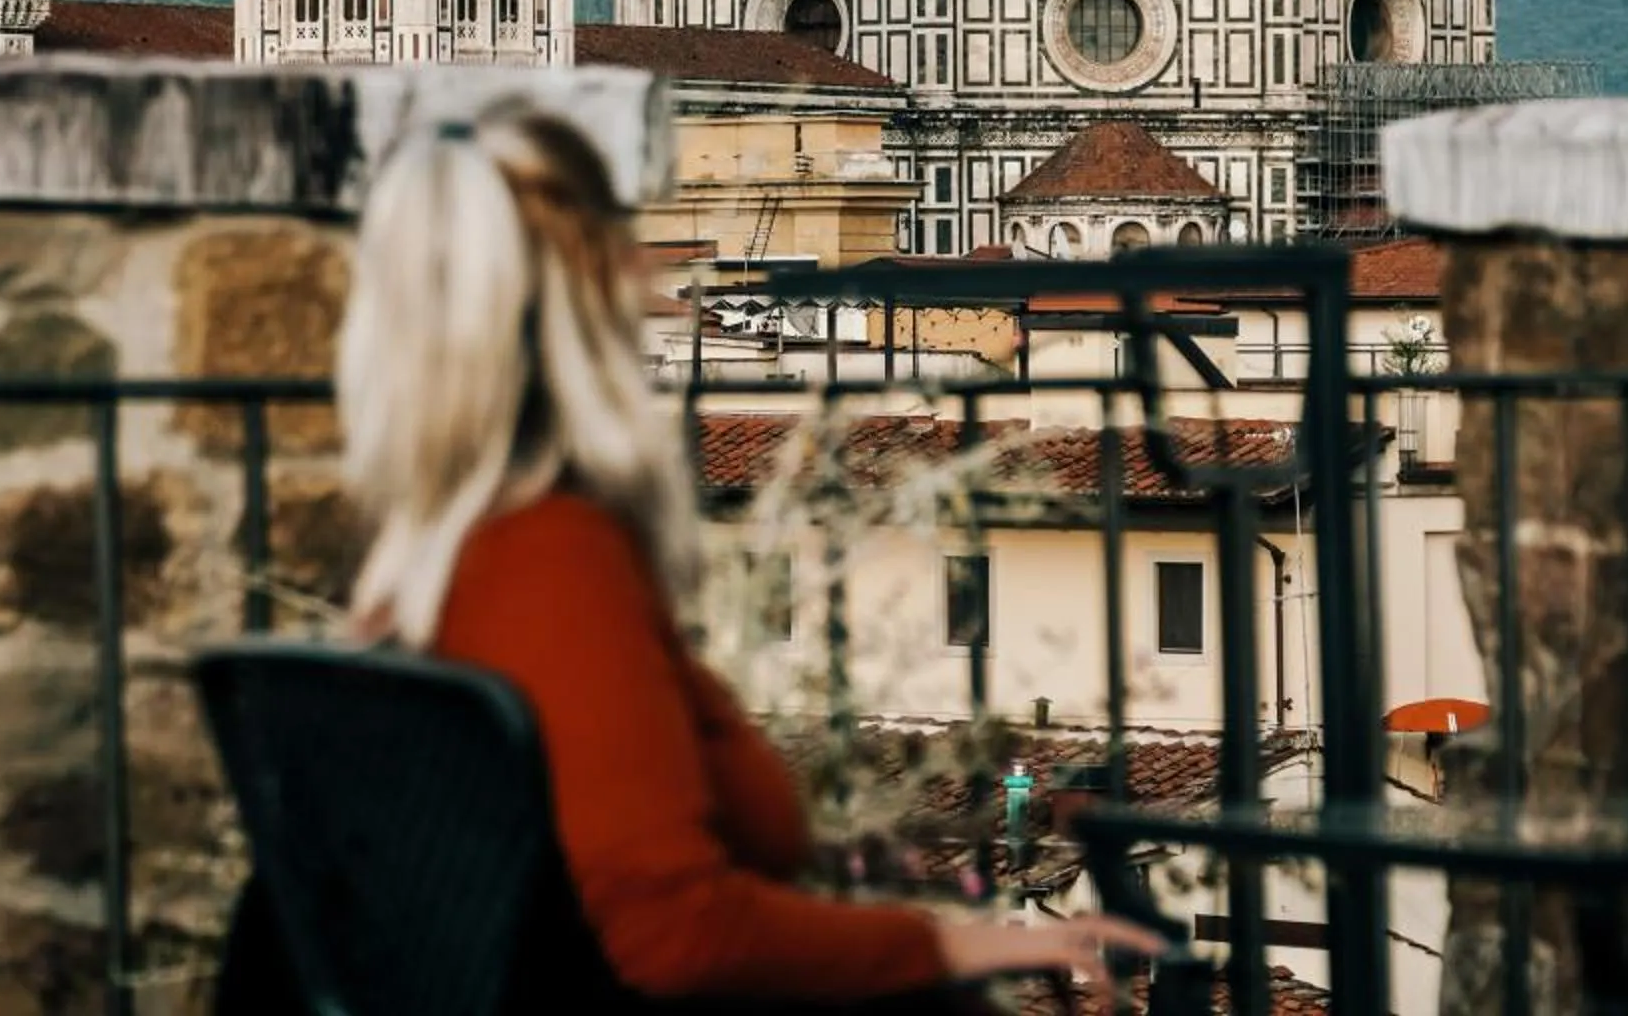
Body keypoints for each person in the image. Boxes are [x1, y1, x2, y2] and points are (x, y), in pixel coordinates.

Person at [315, 108, 1165, 1012]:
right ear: (584, 310)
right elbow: (672, 931)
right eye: (627, 241)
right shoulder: (548, 558)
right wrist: (948, 946)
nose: (658, 272)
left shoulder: (411, 572)